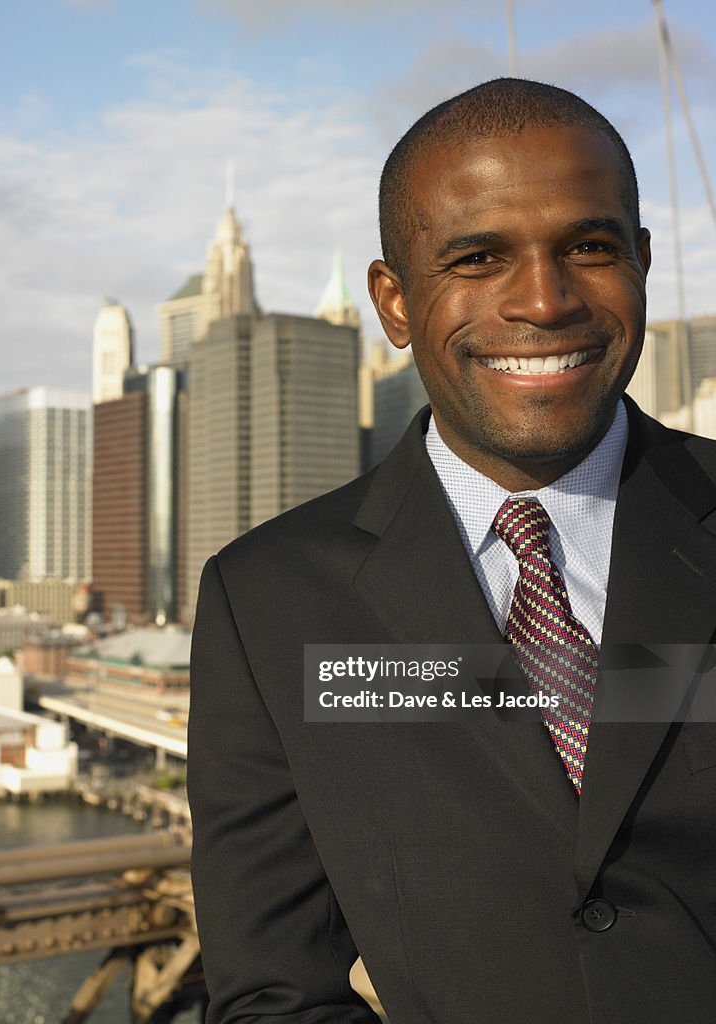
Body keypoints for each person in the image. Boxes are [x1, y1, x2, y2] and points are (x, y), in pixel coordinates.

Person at [186, 78, 716, 1024]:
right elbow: (275, 994)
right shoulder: (268, 601)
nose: (544, 301)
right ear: (392, 303)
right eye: (476, 259)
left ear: (640, 262)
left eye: (588, 248)